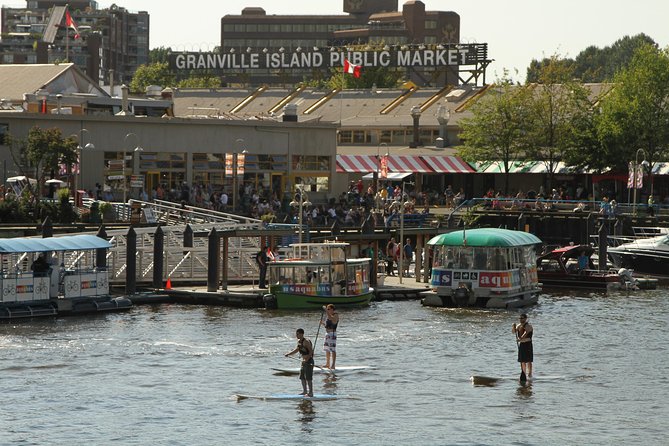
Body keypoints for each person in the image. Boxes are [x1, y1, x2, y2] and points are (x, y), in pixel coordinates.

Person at [285, 328, 314, 397]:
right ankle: (304, 391)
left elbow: (311, 352)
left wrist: (307, 359)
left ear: (302, 334)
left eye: (298, 334)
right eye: (296, 334)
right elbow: (297, 350)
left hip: (309, 361)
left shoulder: (306, 341)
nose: (296, 335)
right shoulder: (299, 342)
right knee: (302, 377)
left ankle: (311, 393)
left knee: (308, 378)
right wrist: (289, 354)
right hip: (303, 362)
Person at [512, 314, 534, 381]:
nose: (521, 319)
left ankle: (529, 374)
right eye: (520, 318)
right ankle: (524, 373)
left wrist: (520, 339)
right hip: (522, 345)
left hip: (528, 344)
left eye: (522, 318)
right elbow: (513, 332)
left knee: (528, 360)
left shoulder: (529, 326)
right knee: (522, 361)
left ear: (525, 319)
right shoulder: (518, 326)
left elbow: (524, 335)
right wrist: (513, 327)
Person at [320, 304, 339, 369]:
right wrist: (322, 323)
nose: (327, 310)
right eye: (327, 309)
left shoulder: (335, 315)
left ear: (332, 309)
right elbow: (327, 325)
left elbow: (332, 319)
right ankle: (327, 364)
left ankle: (333, 365)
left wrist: (325, 310)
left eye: (328, 309)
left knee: (332, 350)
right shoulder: (328, 316)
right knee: (327, 349)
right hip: (327, 334)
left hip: (332, 334)